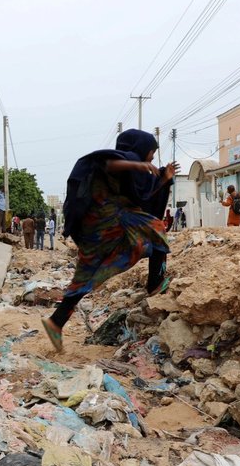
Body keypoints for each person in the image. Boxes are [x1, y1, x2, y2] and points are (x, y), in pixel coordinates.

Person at [42, 129, 178, 352]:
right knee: (156, 229)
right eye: (151, 155)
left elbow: (141, 195)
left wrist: (163, 179)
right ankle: (155, 282)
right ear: (140, 150)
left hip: (94, 231)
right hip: (108, 220)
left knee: (86, 274)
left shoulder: (129, 168)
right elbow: (110, 165)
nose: (151, 159)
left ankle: (56, 322)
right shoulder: (128, 159)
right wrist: (139, 165)